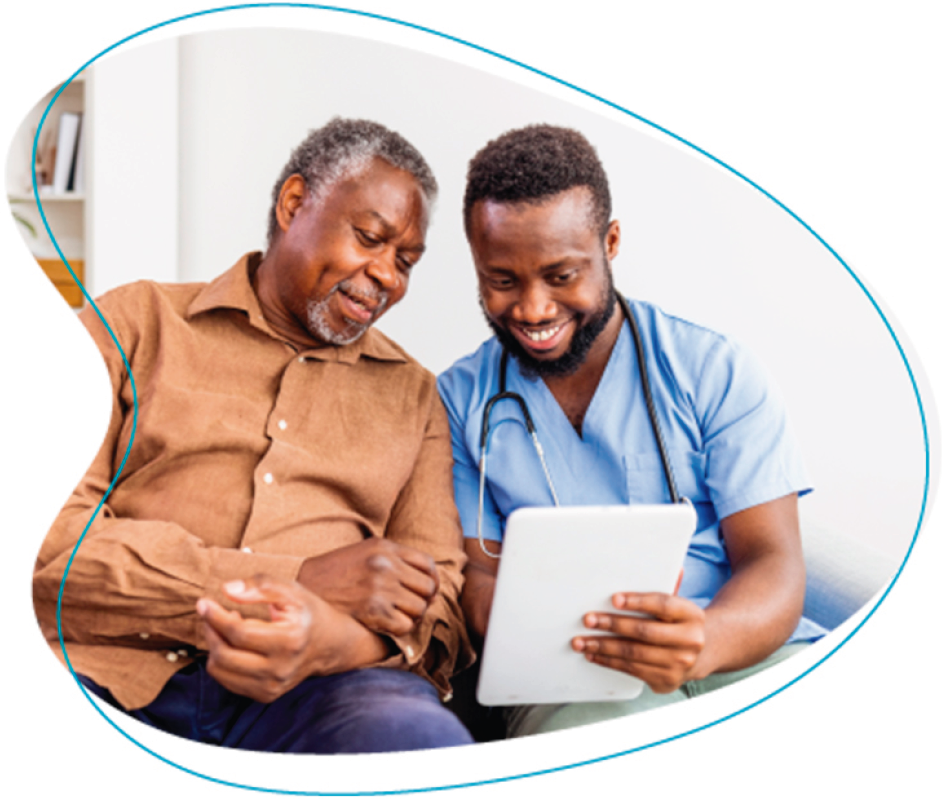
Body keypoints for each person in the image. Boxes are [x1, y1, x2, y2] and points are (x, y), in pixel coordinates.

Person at [33, 118, 475, 753]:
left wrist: (336, 640)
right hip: (105, 665)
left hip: (327, 690)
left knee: (416, 740)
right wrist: (295, 580)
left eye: (405, 262)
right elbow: (41, 533)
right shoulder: (133, 323)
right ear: (295, 203)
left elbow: (437, 602)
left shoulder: (414, 396)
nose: (387, 276)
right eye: (370, 238)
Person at [437, 124, 825, 737]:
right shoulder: (458, 402)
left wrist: (709, 638)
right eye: (503, 280)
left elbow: (774, 562)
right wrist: (527, 619)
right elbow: (476, 575)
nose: (534, 310)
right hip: (573, 676)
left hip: (744, 652)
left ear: (610, 243)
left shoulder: (712, 370)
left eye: (562, 275)